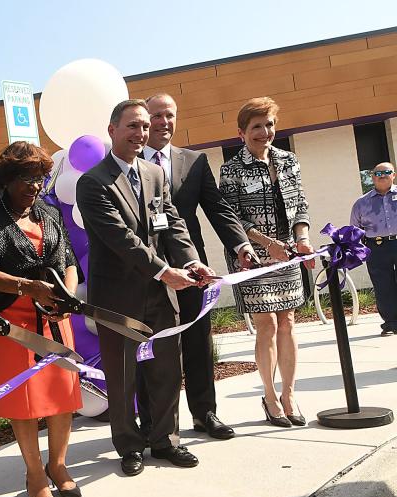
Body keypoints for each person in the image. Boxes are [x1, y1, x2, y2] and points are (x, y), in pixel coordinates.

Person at [75, 99, 214, 477]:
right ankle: (129, 444)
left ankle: (166, 441)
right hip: (118, 298)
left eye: (143, 126)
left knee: (167, 369)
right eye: (132, 126)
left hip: (159, 295)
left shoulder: (154, 173)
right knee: (123, 376)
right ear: (112, 131)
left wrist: (189, 260)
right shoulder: (93, 182)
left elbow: (173, 222)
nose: (140, 133)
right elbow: (121, 239)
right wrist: (164, 270)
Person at [136, 93, 258, 441]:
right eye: (156, 116)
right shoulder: (129, 164)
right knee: (153, 347)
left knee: (198, 343)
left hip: (192, 269)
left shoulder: (194, 161)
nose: (163, 122)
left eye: (169, 115)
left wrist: (241, 244)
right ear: (146, 120)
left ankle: (205, 414)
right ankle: (152, 425)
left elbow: (218, 209)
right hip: (149, 271)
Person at [0, 141, 83, 497]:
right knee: (24, 402)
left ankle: (59, 464)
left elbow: (67, 260)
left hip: (53, 319)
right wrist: (27, 287)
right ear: (6, 179)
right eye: (25, 178)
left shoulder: (49, 214)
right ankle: (35, 473)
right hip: (11, 324)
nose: (34, 186)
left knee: (62, 395)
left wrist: (64, 298)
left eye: (39, 178)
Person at [219, 97, 314, 428]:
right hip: (253, 256)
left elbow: (300, 204)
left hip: (287, 253)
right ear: (241, 132)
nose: (264, 131)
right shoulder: (231, 169)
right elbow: (231, 217)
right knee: (268, 325)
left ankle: (289, 394)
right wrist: (267, 245)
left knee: (288, 321)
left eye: (269, 124)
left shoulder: (289, 161)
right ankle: (270, 397)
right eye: (256, 126)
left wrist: (301, 239)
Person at [350, 162, 397, 336]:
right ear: (372, 177)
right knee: (383, 286)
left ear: (394, 175)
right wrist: (357, 251)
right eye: (377, 173)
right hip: (376, 248)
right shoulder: (361, 203)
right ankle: (391, 324)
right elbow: (355, 229)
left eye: (386, 172)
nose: (382, 175)